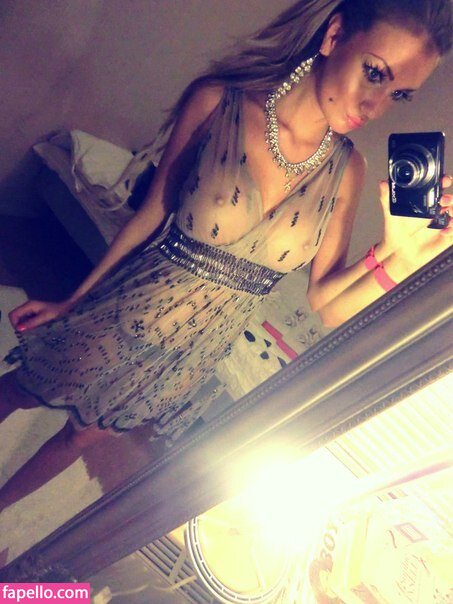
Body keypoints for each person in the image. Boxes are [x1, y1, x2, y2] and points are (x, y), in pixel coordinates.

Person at [1, 0, 452, 513]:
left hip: (196, 348)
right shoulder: (218, 102)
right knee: (24, 388)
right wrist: (74, 300)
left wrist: (398, 256)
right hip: (134, 308)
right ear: (334, 36)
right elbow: (152, 213)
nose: (375, 106)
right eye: (374, 73)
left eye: (398, 94)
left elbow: (326, 306)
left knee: (83, 437)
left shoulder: (348, 169)